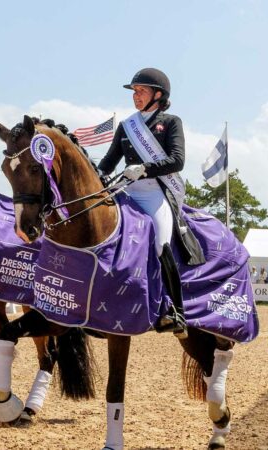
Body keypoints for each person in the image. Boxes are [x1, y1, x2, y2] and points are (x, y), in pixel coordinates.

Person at [98, 68, 188, 336]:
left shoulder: (171, 122)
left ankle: (175, 310)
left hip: (154, 192)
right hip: (126, 190)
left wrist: (145, 168)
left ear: (158, 95)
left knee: (161, 242)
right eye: (134, 92)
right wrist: (98, 174)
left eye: (141, 91)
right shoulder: (127, 125)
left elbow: (177, 160)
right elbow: (109, 160)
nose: (136, 96)